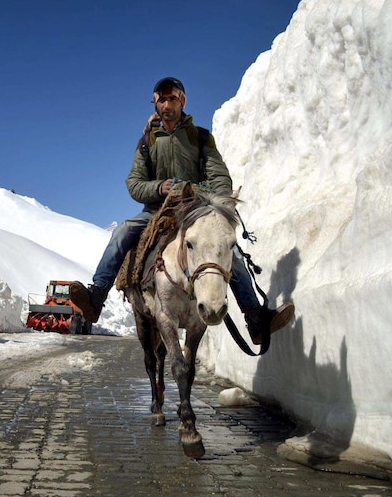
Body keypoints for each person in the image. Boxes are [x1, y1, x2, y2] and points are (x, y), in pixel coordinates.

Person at [70, 77, 294, 344]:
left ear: (182, 101)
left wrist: (200, 193)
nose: (167, 104)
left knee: (227, 252)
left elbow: (220, 176)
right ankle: (96, 297)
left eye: (172, 98)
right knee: (123, 231)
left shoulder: (200, 137)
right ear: (155, 103)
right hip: (156, 211)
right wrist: (160, 187)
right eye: (161, 99)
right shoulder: (146, 142)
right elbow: (134, 184)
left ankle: (255, 318)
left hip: (195, 211)